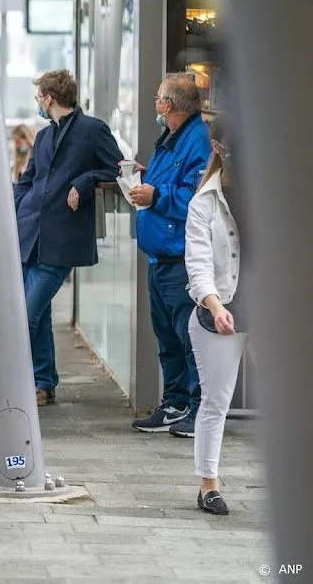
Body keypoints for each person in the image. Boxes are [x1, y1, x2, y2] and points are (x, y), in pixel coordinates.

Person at [14, 70, 121, 406]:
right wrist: (6, 214)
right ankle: (43, 383)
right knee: (38, 313)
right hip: (29, 234)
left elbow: (118, 168)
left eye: (38, 98)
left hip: (61, 239)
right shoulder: (44, 137)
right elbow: (28, 181)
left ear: (49, 98)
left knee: (26, 314)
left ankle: (16, 383)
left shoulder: (93, 130)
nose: (38, 104)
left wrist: (84, 180)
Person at [129, 73, 211, 436]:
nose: (155, 104)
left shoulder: (197, 141)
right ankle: (175, 402)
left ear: (172, 105)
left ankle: (197, 409)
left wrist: (156, 196)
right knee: (168, 337)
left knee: (189, 336)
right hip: (159, 257)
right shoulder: (170, 138)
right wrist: (146, 179)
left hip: (179, 259)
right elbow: (171, 182)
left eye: (159, 99)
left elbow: (199, 197)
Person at [184, 118, 245, 514]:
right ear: (220, 148)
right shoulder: (204, 202)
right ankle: (209, 484)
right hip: (220, 312)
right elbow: (198, 263)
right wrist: (215, 304)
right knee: (216, 401)